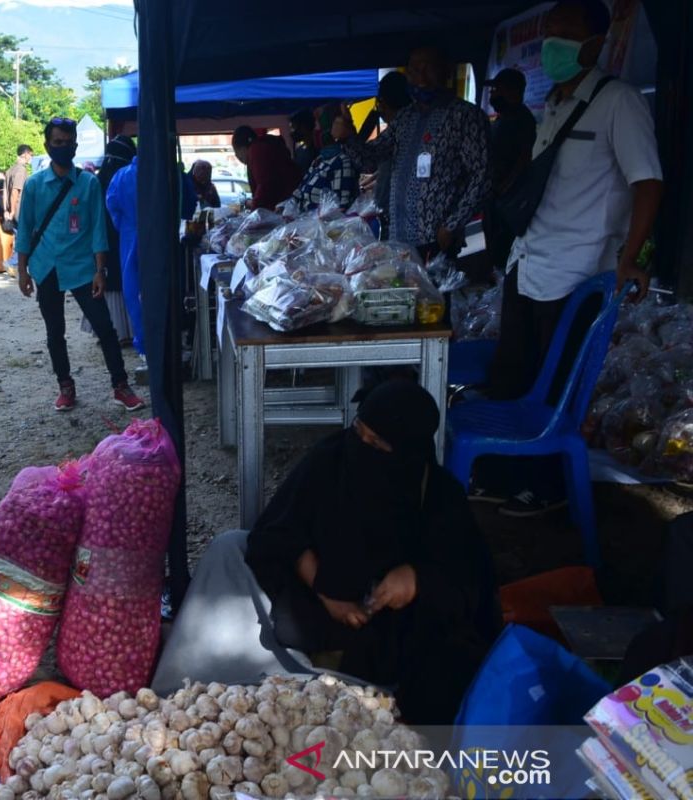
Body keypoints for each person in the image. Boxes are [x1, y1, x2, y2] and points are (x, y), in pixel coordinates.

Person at [481, 0, 662, 516]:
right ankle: (504, 473)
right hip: (529, 259)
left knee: (557, 383)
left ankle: (549, 487)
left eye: (565, 31)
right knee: (513, 373)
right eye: (550, 32)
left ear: (596, 41)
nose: (553, 42)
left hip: (578, 270)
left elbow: (648, 183)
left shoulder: (619, 101)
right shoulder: (553, 104)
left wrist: (629, 258)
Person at [246, 381, 499, 723]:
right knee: (231, 556)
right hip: (317, 605)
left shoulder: (439, 497)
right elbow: (278, 534)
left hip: (394, 632)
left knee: (445, 667)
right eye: (359, 432)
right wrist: (324, 588)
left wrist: (414, 580)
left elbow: (467, 580)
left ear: (408, 452)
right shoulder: (330, 459)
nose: (361, 446)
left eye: (376, 443)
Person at [15, 117, 145, 413]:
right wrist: (22, 271)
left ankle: (120, 386)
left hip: (83, 268)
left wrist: (100, 270)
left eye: (68, 142)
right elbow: (25, 230)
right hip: (46, 267)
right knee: (54, 332)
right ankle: (65, 386)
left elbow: (98, 229)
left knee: (105, 328)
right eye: (57, 142)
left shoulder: (88, 183)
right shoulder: (35, 185)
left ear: (75, 145)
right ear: (47, 146)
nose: (63, 147)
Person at [338, 46, 490, 257]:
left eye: (430, 69)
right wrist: (348, 137)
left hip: (439, 239)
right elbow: (370, 159)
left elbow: (482, 177)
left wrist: (452, 225)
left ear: (446, 71)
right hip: (400, 236)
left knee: (438, 290)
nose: (422, 77)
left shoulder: (466, 116)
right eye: (415, 70)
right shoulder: (404, 118)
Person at [483, 68, 537, 271]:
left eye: (497, 89)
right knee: (494, 247)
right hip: (494, 195)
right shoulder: (501, 119)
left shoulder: (522, 120)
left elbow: (525, 158)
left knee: (505, 248)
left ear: (514, 91)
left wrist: (504, 188)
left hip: (509, 199)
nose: (492, 94)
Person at [92, 135, 137, 344]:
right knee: (124, 280)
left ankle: (109, 329)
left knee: (108, 279)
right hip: (123, 235)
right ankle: (126, 328)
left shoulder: (99, 179)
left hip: (104, 236)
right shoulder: (126, 176)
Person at [361, 71, 413, 225]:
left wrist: (349, 136)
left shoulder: (399, 132)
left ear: (383, 103)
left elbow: (365, 158)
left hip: (394, 216)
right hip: (391, 212)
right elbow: (387, 167)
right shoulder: (400, 131)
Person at [287, 104, 361, 212]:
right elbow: (302, 188)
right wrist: (289, 204)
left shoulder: (342, 161)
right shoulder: (319, 159)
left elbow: (341, 204)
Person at [231, 125, 301, 211]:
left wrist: (255, 212)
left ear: (241, 148)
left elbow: (264, 186)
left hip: (284, 207)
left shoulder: (256, 150)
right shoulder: (268, 145)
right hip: (290, 203)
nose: (237, 156)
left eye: (236, 152)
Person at [3, 143, 33, 236]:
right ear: (25, 154)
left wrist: (6, 211)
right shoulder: (21, 170)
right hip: (19, 212)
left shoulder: (9, 170)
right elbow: (15, 191)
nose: (31, 158)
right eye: (31, 155)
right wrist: (12, 211)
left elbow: (5, 193)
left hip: (11, 213)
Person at [288, 109, 319, 175]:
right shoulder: (299, 150)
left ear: (304, 127)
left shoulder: (319, 150)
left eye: (293, 127)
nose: (291, 132)